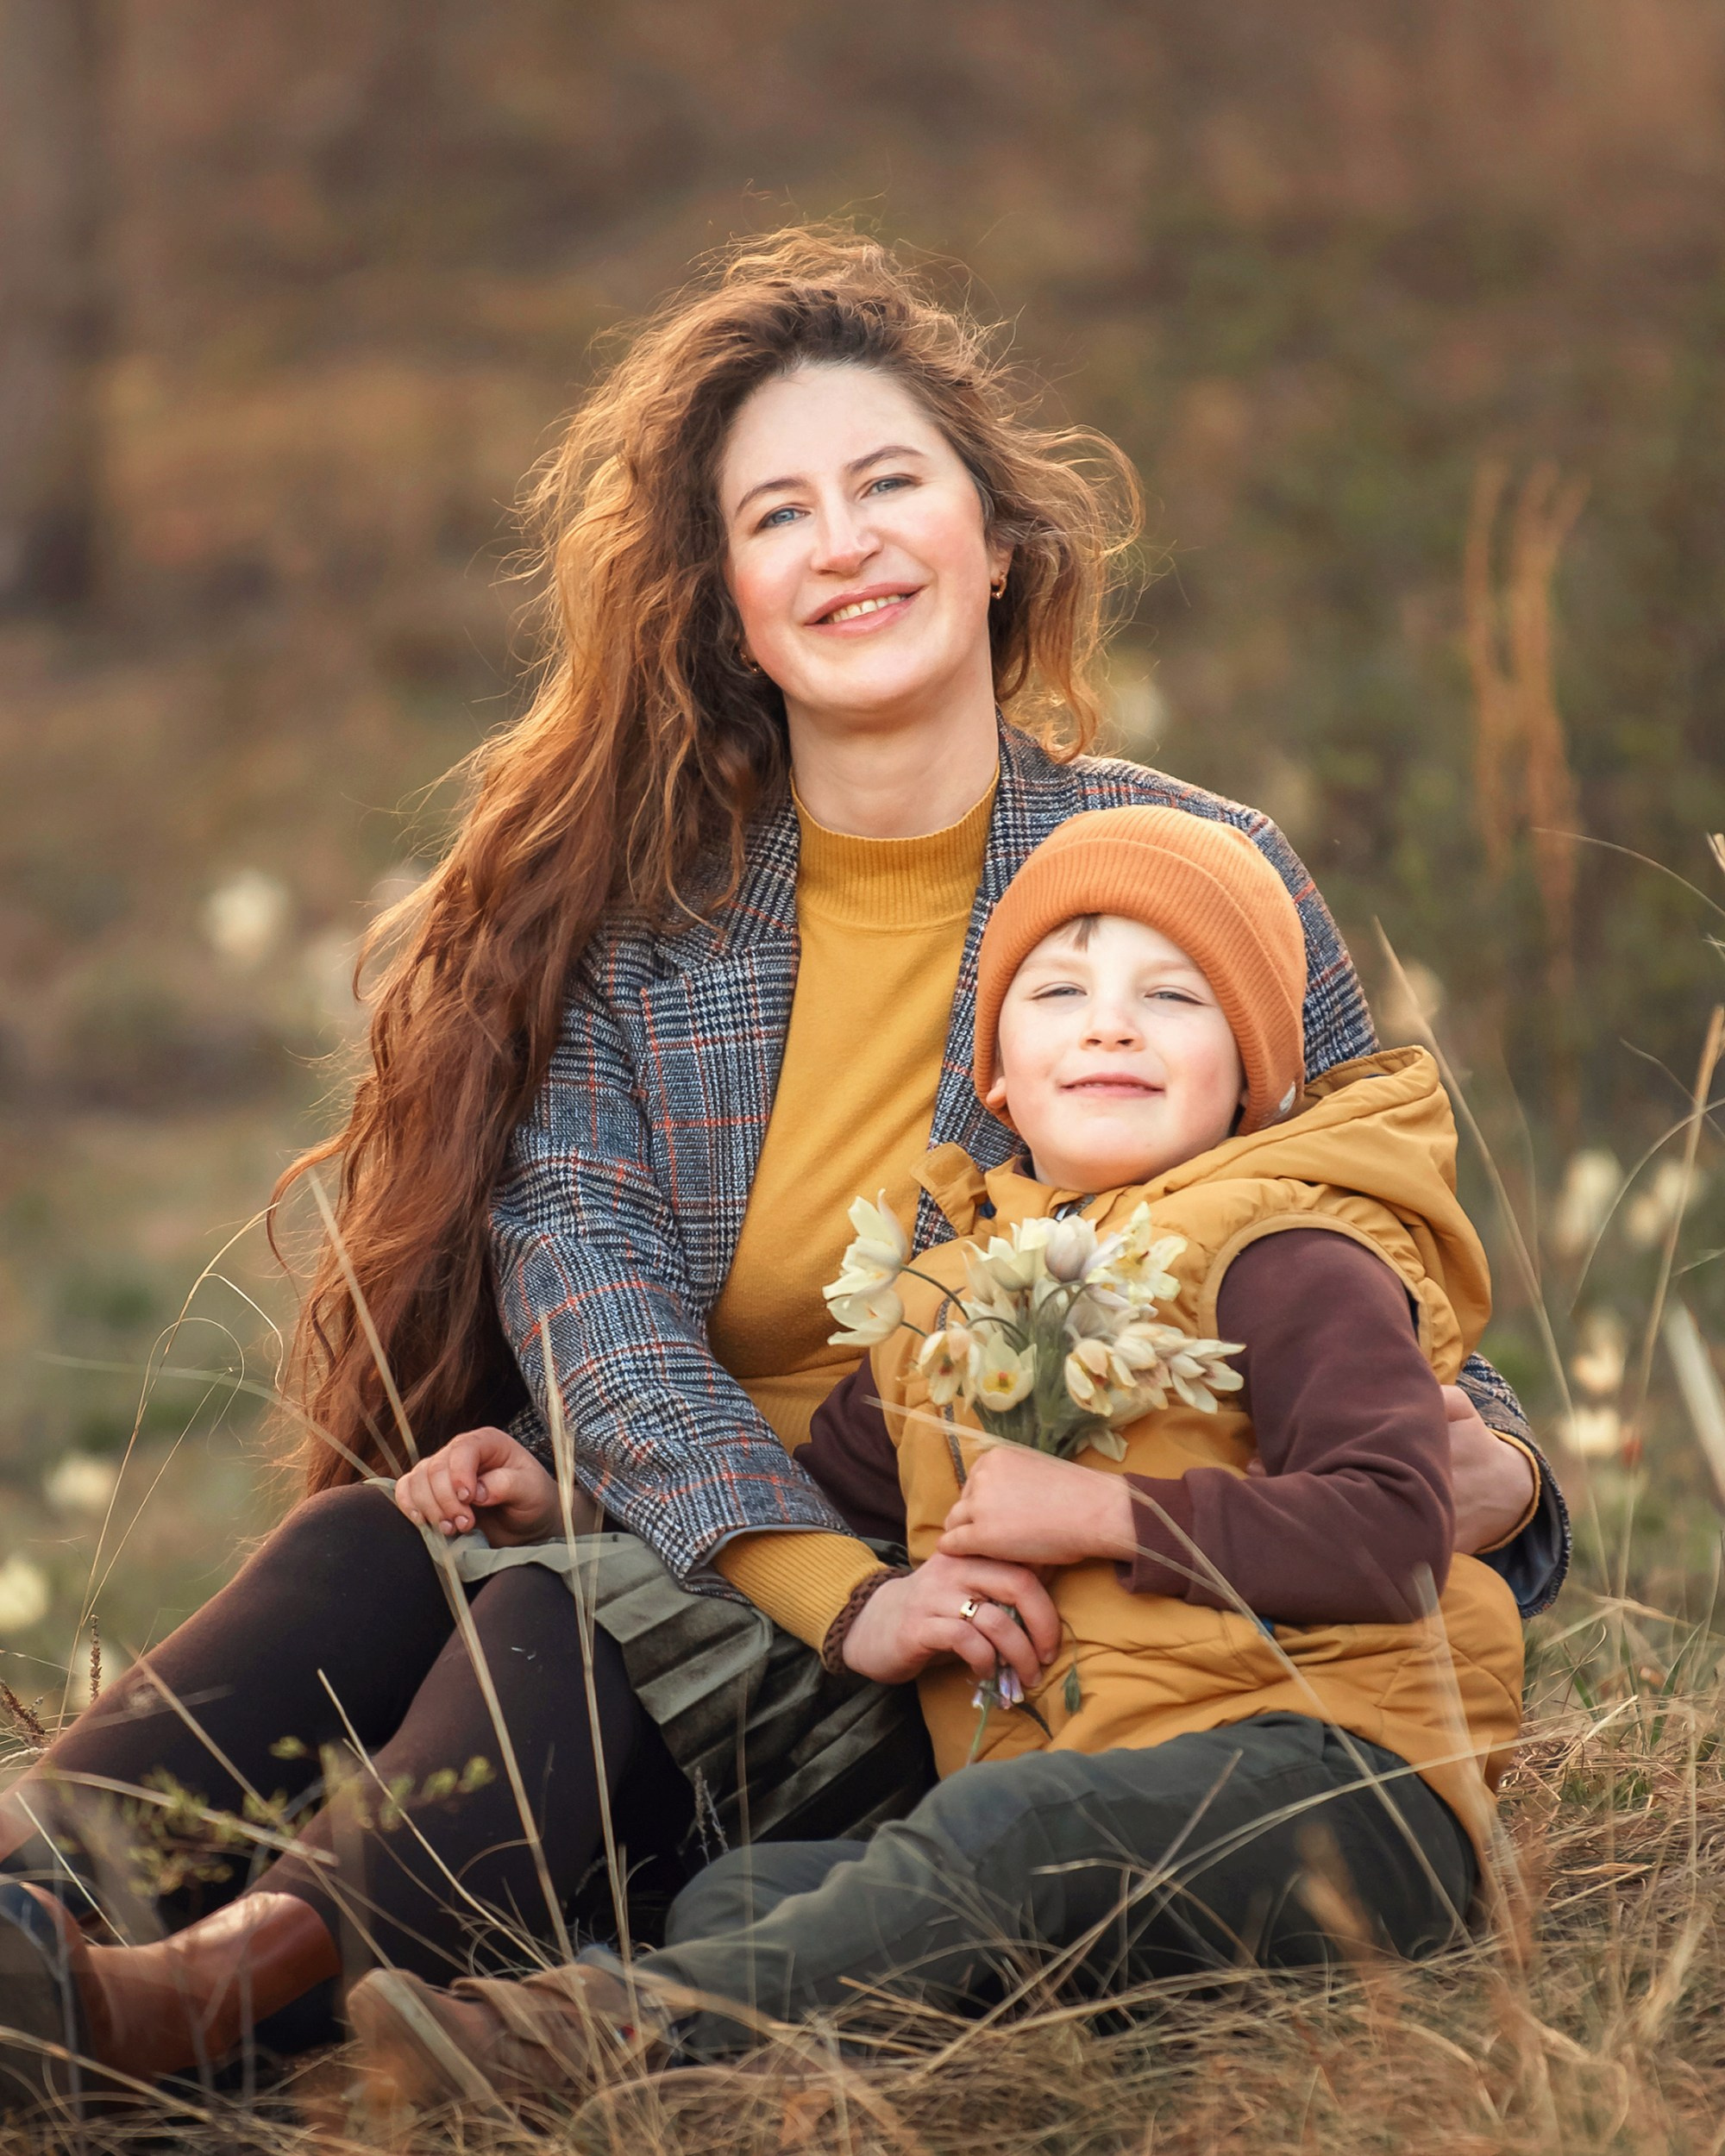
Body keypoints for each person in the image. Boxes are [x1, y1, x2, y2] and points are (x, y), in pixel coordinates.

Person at [0, 231, 1562, 2109]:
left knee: (563, 1620)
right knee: (384, 1542)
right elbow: (607, 1325)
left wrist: (1501, 1475)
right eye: (780, 512)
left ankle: (194, 2009)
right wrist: (766, 1551)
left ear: (996, 541)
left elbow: (1352, 1266)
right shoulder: (635, 925)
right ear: (728, 605)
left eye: (893, 482)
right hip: (749, 1551)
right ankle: (41, 1897)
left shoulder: (1178, 879)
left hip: (998, 1632)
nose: (847, 541)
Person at [344, 804, 1524, 2109]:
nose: (1111, 1022)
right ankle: (1069, 2033)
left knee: (1007, 1835)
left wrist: (1101, 1512)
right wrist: (578, 1496)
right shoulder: (951, 1297)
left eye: (1175, 995)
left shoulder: (1292, 1250)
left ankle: (595, 2046)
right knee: (747, 1892)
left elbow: (1396, 1532)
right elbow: (820, 1481)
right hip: (1095, 1786)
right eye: (1061, 988)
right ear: (1000, 1077)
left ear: (1255, 1073)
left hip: (1341, 1783)